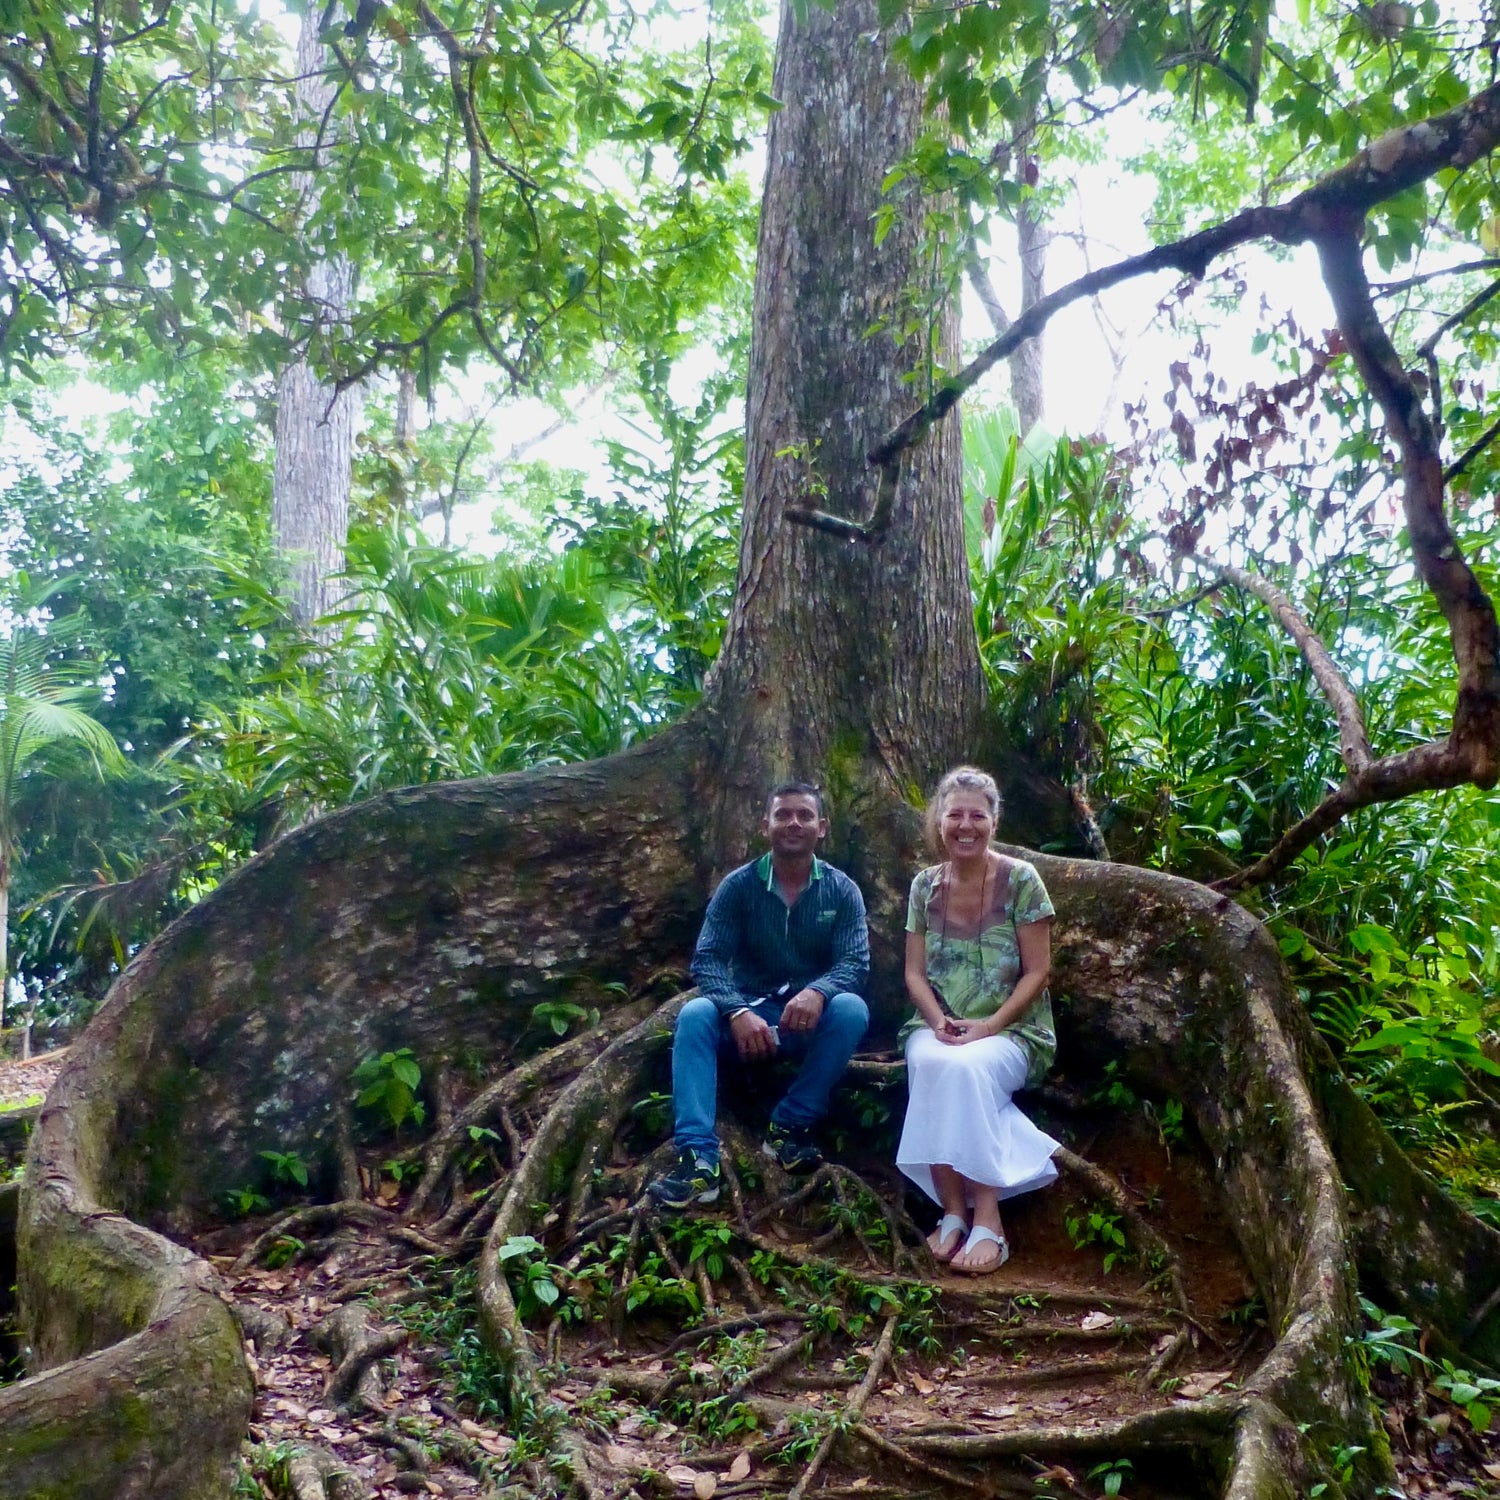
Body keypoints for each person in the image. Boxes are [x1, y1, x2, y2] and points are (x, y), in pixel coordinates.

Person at [649, 783, 870, 1210]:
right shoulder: (740, 886)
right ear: (764, 824)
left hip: (805, 1024)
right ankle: (698, 1160)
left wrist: (818, 992)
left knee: (851, 1009)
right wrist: (735, 1010)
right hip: (746, 1018)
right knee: (695, 1013)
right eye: (783, 814)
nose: (793, 823)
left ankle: (788, 1128)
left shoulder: (842, 891)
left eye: (804, 815)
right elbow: (708, 959)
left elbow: (855, 963)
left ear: (821, 828)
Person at [895, 766, 1061, 1274]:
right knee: (929, 1061)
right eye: (955, 815)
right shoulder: (925, 886)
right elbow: (913, 974)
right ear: (938, 821)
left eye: (977, 815)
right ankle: (951, 1211)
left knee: (967, 1069)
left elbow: (1039, 971)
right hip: (936, 1024)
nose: (965, 826)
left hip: (1015, 1032)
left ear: (994, 821)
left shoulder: (1021, 880)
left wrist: (987, 1028)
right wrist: (939, 1021)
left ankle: (988, 1216)